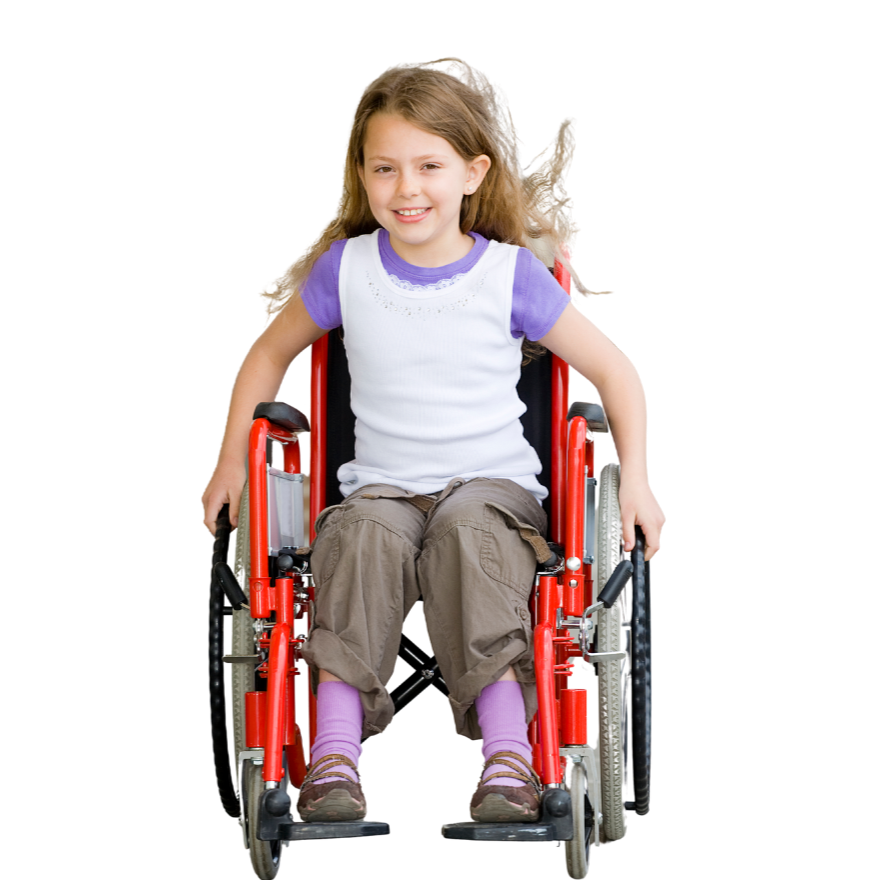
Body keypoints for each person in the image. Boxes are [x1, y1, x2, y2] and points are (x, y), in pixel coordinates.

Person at [201, 58, 665, 825]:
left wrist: (639, 479)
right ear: (361, 174)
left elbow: (617, 373)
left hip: (491, 489)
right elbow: (268, 355)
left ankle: (510, 757)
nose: (406, 188)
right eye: (384, 169)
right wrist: (227, 460)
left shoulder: (509, 276)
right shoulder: (344, 270)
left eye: (428, 167)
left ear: (473, 173)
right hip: (381, 488)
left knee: (466, 535)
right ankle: (334, 758)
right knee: (356, 537)